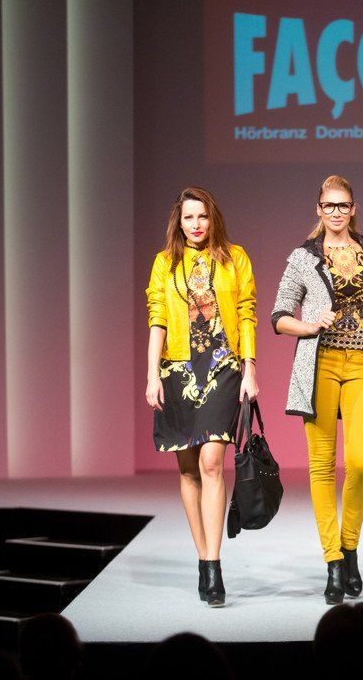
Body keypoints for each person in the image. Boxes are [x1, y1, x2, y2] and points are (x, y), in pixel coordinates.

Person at [272, 175, 363, 604]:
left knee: (361, 463)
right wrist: (309, 324)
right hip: (321, 365)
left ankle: (350, 548)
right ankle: (333, 560)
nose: (336, 212)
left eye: (343, 205)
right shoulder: (303, 257)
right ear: (318, 209)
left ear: (353, 209)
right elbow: (279, 316)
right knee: (321, 466)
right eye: (329, 205)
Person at [145, 186, 258, 607]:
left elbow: (246, 313)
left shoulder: (235, 257)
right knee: (189, 469)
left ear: (214, 219)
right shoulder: (165, 263)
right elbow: (157, 318)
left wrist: (250, 368)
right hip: (176, 370)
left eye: (203, 216)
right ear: (179, 222)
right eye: (189, 217)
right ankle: (202, 556)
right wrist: (152, 374)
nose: (196, 224)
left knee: (212, 461)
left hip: (223, 366)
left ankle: (214, 564)